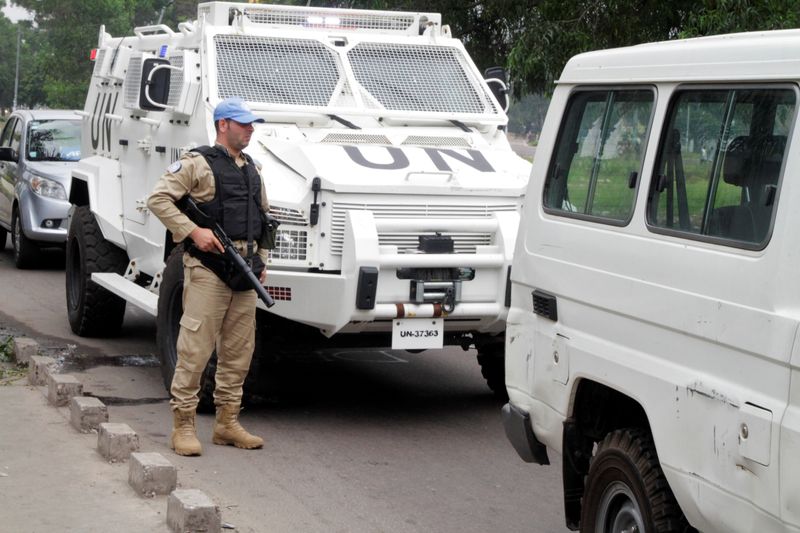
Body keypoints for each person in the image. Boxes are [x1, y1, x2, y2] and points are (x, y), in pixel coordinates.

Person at [147, 97, 268, 456]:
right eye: (243, 123)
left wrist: (263, 257)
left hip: (246, 271)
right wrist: (191, 231)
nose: (250, 129)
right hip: (208, 270)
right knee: (195, 350)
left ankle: (227, 423)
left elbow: (265, 220)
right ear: (223, 125)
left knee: (238, 353)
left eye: (251, 124)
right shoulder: (197, 164)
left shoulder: (253, 169)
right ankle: (183, 426)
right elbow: (159, 199)